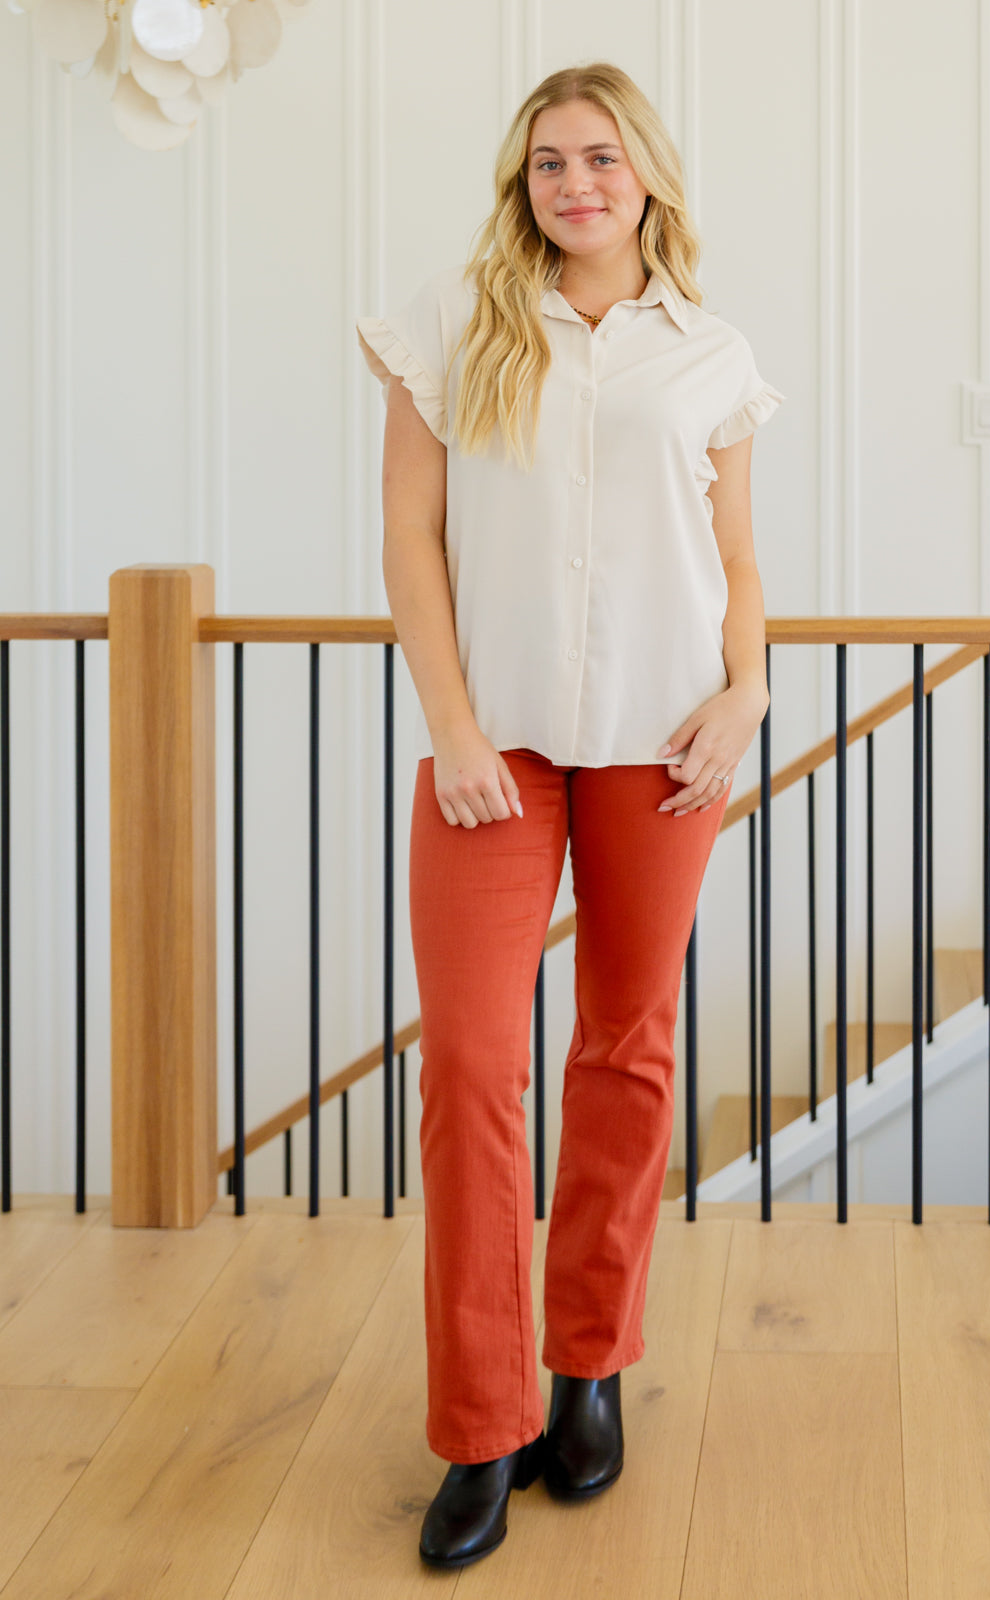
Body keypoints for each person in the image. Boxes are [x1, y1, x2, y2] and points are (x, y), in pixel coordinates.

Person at [356, 59, 785, 1571]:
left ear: (646, 173)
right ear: (521, 182)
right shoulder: (453, 322)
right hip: (498, 750)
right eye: (549, 161)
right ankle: (481, 1427)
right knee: (475, 1065)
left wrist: (748, 689)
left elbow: (736, 558)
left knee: (626, 1046)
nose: (574, 182)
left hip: (664, 747)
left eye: (601, 156)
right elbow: (410, 533)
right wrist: (451, 728)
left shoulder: (712, 354)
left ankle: (588, 1365)